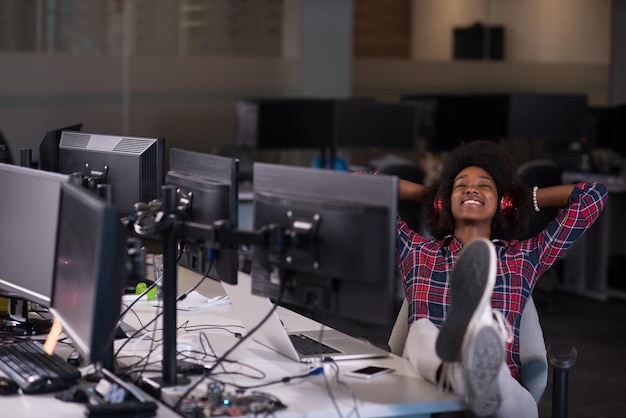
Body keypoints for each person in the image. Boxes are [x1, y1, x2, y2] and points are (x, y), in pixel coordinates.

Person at [394, 140, 608, 417]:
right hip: (427, 391)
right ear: (445, 200)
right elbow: (366, 189)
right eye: (460, 185)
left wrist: (524, 199)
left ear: (502, 203)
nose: (471, 188)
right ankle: (458, 372)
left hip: (500, 397)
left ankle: (480, 372)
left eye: (485, 185)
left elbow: (593, 196)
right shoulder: (418, 251)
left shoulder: (523, 257)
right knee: (421, 332)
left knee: (498, 378)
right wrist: (431, 195)